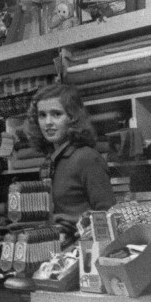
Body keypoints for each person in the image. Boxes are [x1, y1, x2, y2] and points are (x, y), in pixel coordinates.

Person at [25, 83, 115, 231]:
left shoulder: (86, 158)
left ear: (73, 117)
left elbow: (110, 215)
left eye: (56, 114)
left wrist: (72, 220)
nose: (48, 122)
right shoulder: (49, 162)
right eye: (42, 115)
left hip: (84, 247)